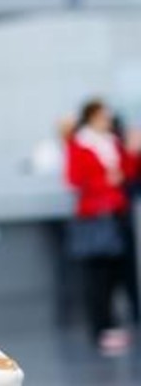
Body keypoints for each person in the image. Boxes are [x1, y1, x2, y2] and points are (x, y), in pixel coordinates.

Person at [66, 98, 139, 356]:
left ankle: (113, 325)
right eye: (102, 116)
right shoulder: (80, 144)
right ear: (91, 117)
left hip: (116, 215)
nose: (106, 120)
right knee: (97, 277)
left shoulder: (112, 142)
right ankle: (100, 328)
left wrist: (132, 152)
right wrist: (105, 180)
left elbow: (128, 173)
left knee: (115, 275)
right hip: (95, 217)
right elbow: (75, 178)